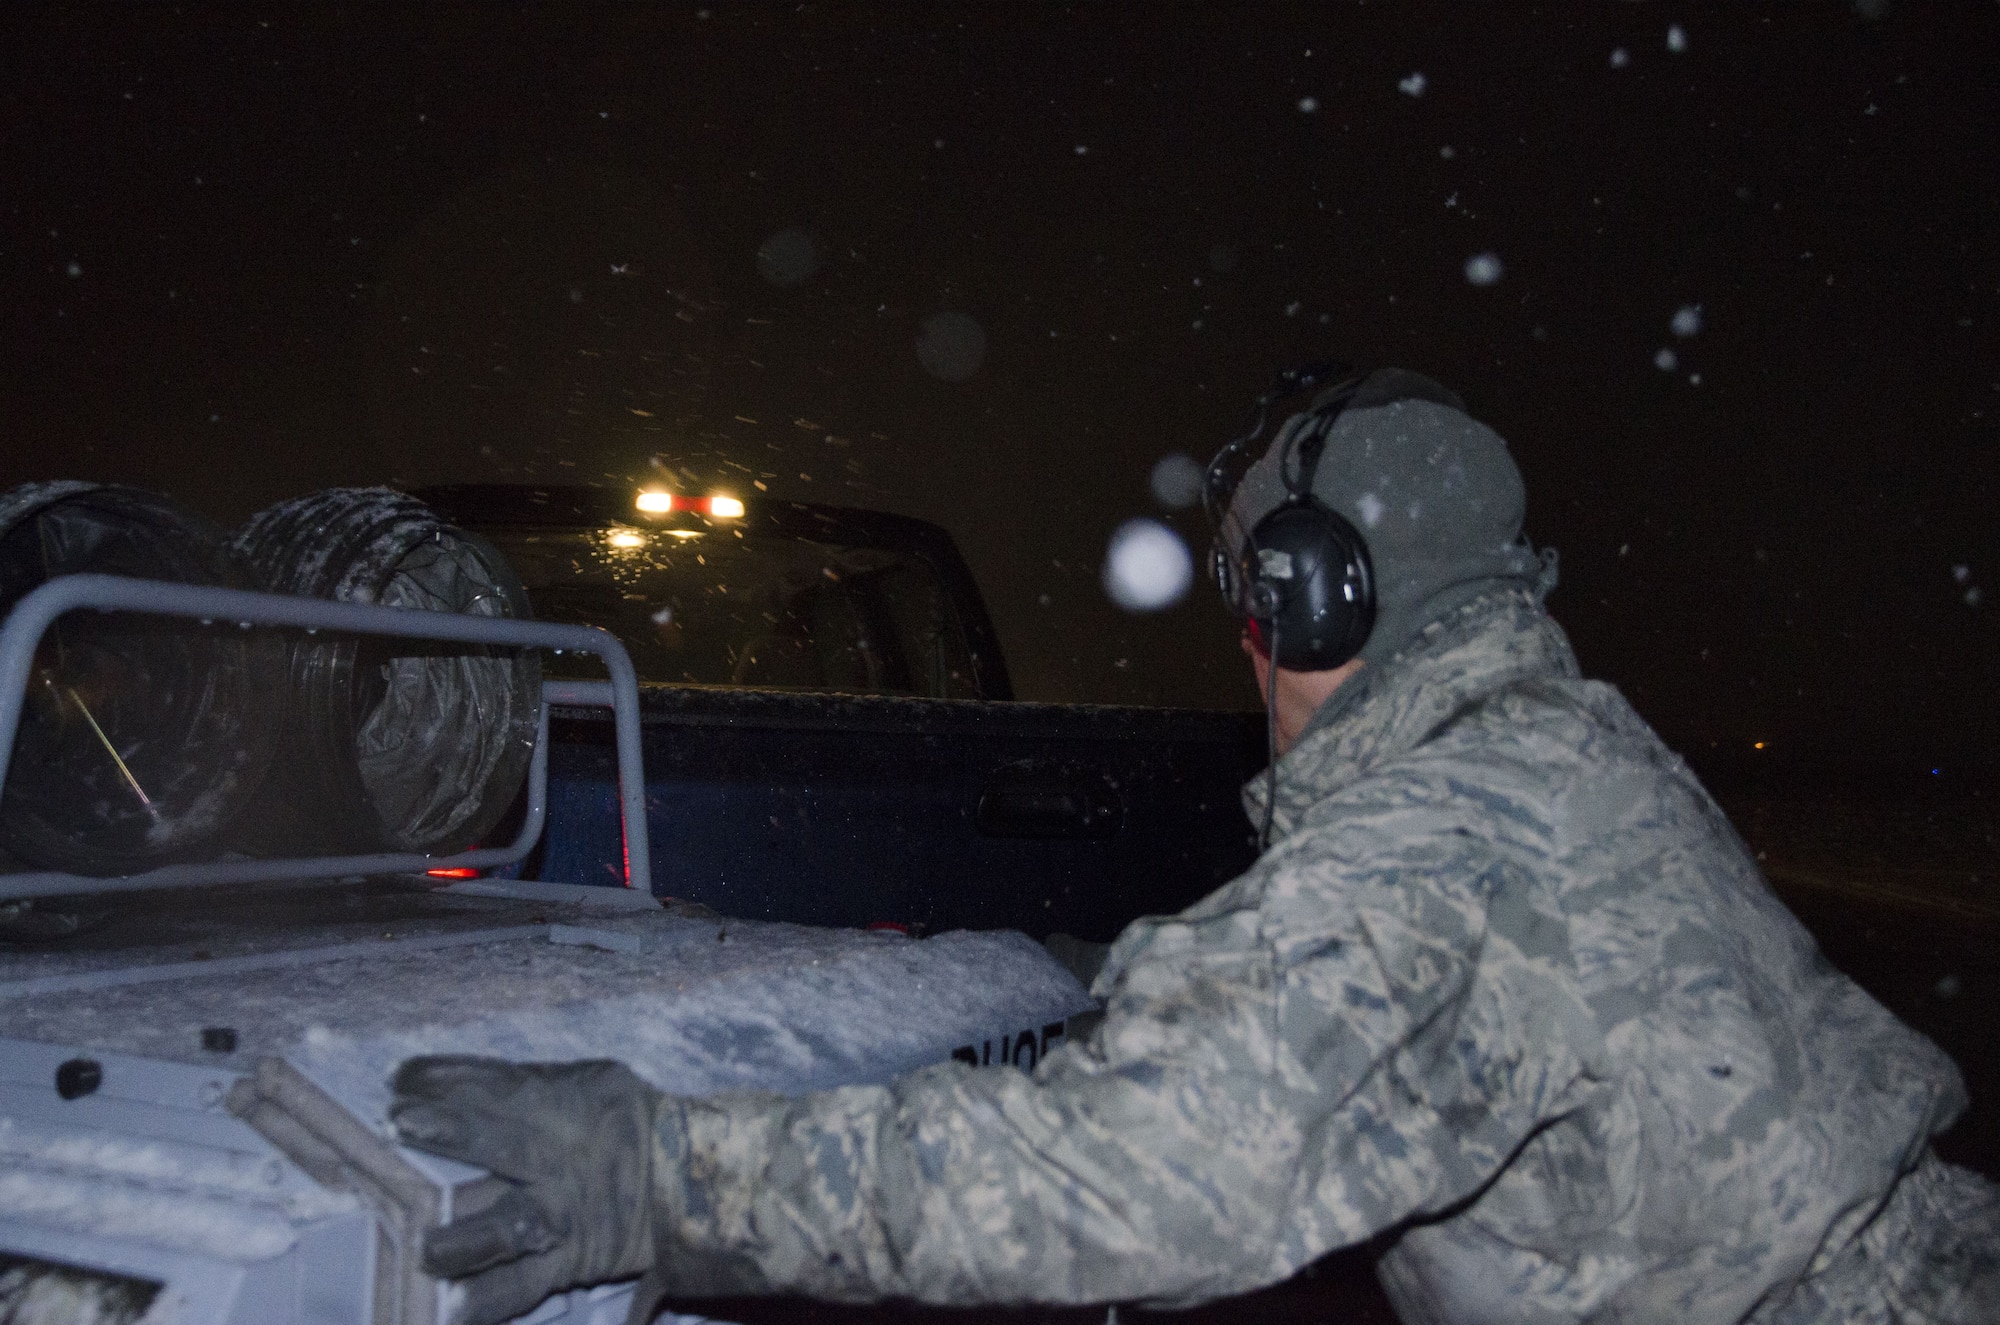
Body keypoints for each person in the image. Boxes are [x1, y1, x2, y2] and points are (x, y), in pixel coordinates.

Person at [389, 368, 2000, 1325]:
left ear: (1316, 593)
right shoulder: (1560, 751)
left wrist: (663, 1178)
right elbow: (1382, 993)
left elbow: (1141, 1177)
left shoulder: (1450, 833)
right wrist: (1129, 987)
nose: (1244, 644)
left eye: (1254, 598)